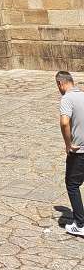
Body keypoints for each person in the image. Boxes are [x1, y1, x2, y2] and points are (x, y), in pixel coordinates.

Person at [57, 70, 84, 237]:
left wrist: (69, 145)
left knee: (72, 185)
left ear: (60, 83)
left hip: (79, 150)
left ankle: (80, 224)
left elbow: (64, 121)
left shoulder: (67, 98)